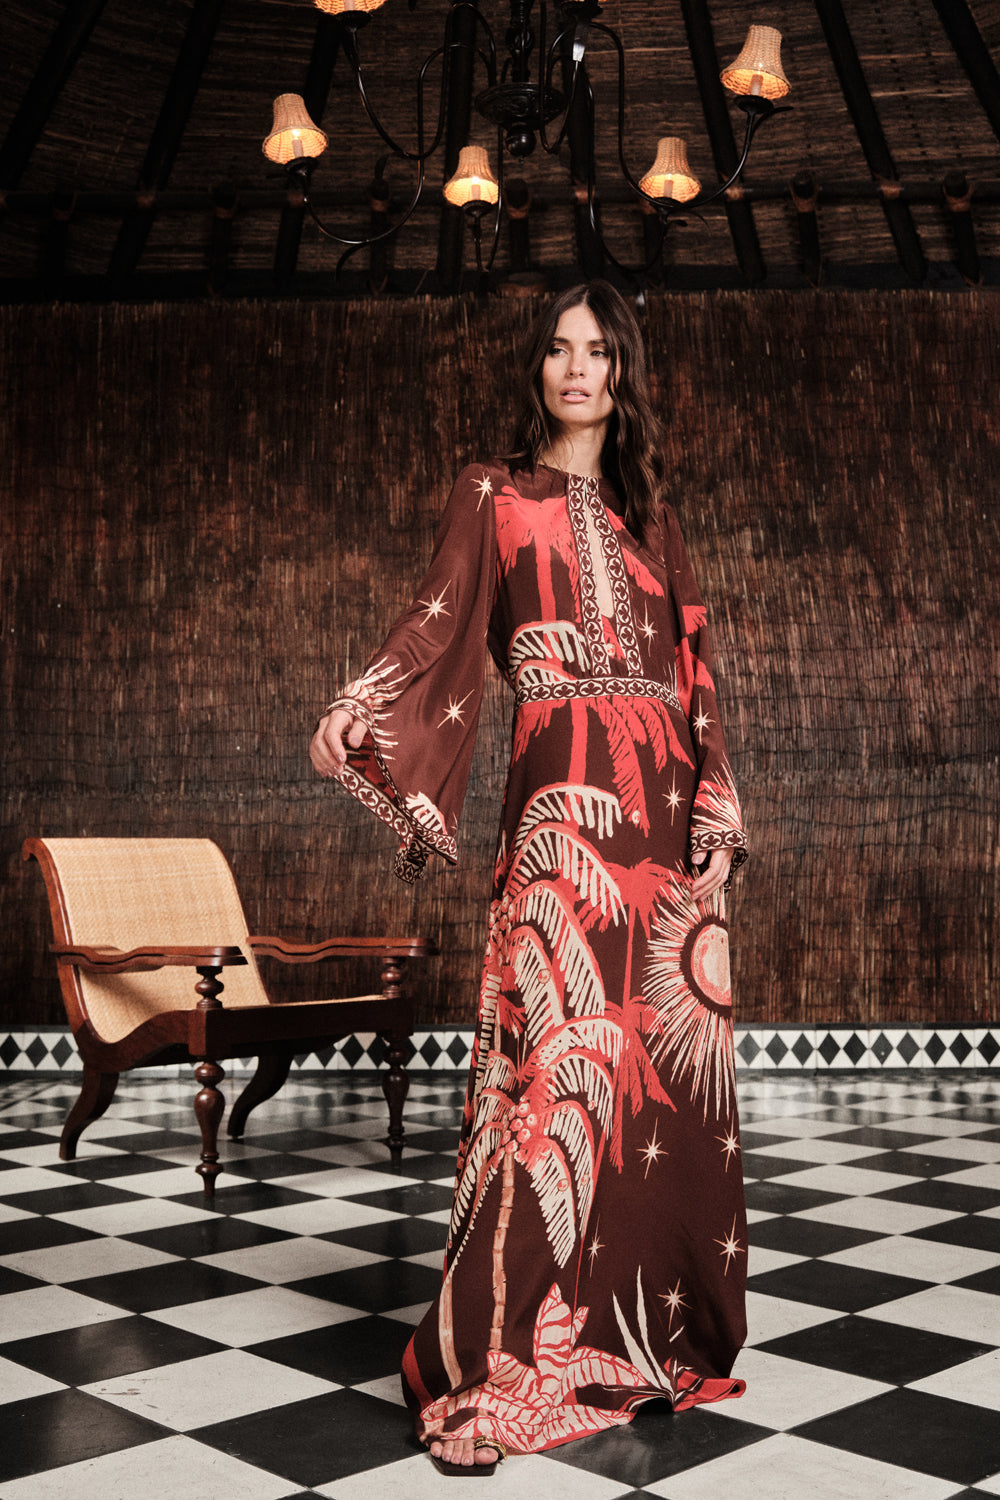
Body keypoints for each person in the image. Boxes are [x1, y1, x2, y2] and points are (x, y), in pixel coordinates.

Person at [310, 281, 748, 1476]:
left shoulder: (656, 518)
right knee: (552, 1074)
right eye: (558, 350)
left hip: (660, 830)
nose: (576, 369)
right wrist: (364, 708)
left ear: (623, 371)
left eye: (598, 351)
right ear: (537, 369)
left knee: (651, 1073)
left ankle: (638, 1337)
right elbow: (438, 623)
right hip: (561, 811)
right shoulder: (492, 492)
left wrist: (715, 811)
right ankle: (508, 1352)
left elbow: (695, 672)